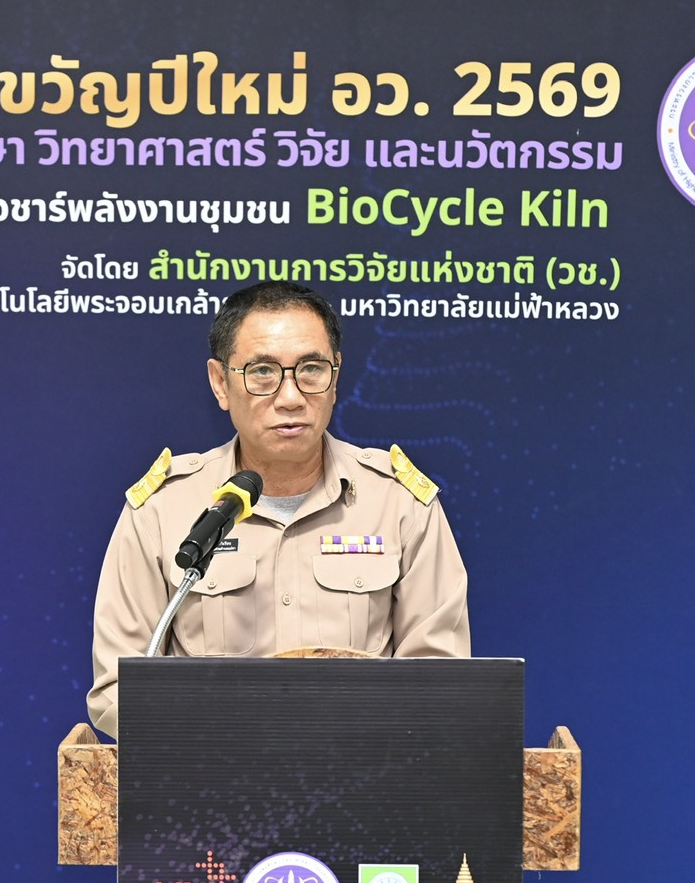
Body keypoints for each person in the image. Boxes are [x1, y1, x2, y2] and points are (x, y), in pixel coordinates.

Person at [86, 281, 470, 738]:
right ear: (220, 383)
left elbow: (441, 681)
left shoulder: (400, 503)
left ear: (335, 377)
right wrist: (240, 741)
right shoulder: (162, 510)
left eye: (311, 369)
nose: (290, 397)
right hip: (213, 773)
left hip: (361, 772)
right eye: (263, 371)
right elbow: (118, 689)